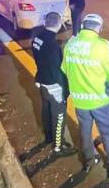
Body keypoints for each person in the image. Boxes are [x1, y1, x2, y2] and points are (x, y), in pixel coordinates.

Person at [61, 13, 109, 180]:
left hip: (79, 100)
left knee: (85, 132)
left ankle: (88, 161)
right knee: (108, 134)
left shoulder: (71, 44)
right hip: (100, 101)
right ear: (98, 28)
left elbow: (65, 69)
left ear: (84, 25)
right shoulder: (102, 46)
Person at [31, 12, 77, 157]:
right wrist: (64, 90)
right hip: (53, 84)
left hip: (41, 81)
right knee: (59, 116)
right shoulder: (52, 45)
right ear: (58, 25)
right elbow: (57, 69)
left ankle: (49, 137)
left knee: (46, 110)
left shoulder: (37, 38)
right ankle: (58, 146)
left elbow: (42, 58)